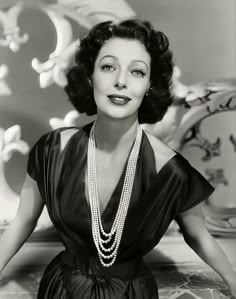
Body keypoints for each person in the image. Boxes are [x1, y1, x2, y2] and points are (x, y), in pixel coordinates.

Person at [0, 18, 235, 299]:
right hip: (62, 290)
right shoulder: (52, 150)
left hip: (132, 293)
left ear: (150, 84)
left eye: (137, 71)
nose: (121, 81)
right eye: (108, 67)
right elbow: (23, 220)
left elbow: (199, 236)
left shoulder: (172, 172)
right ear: (90, 77)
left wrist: (233, 281)